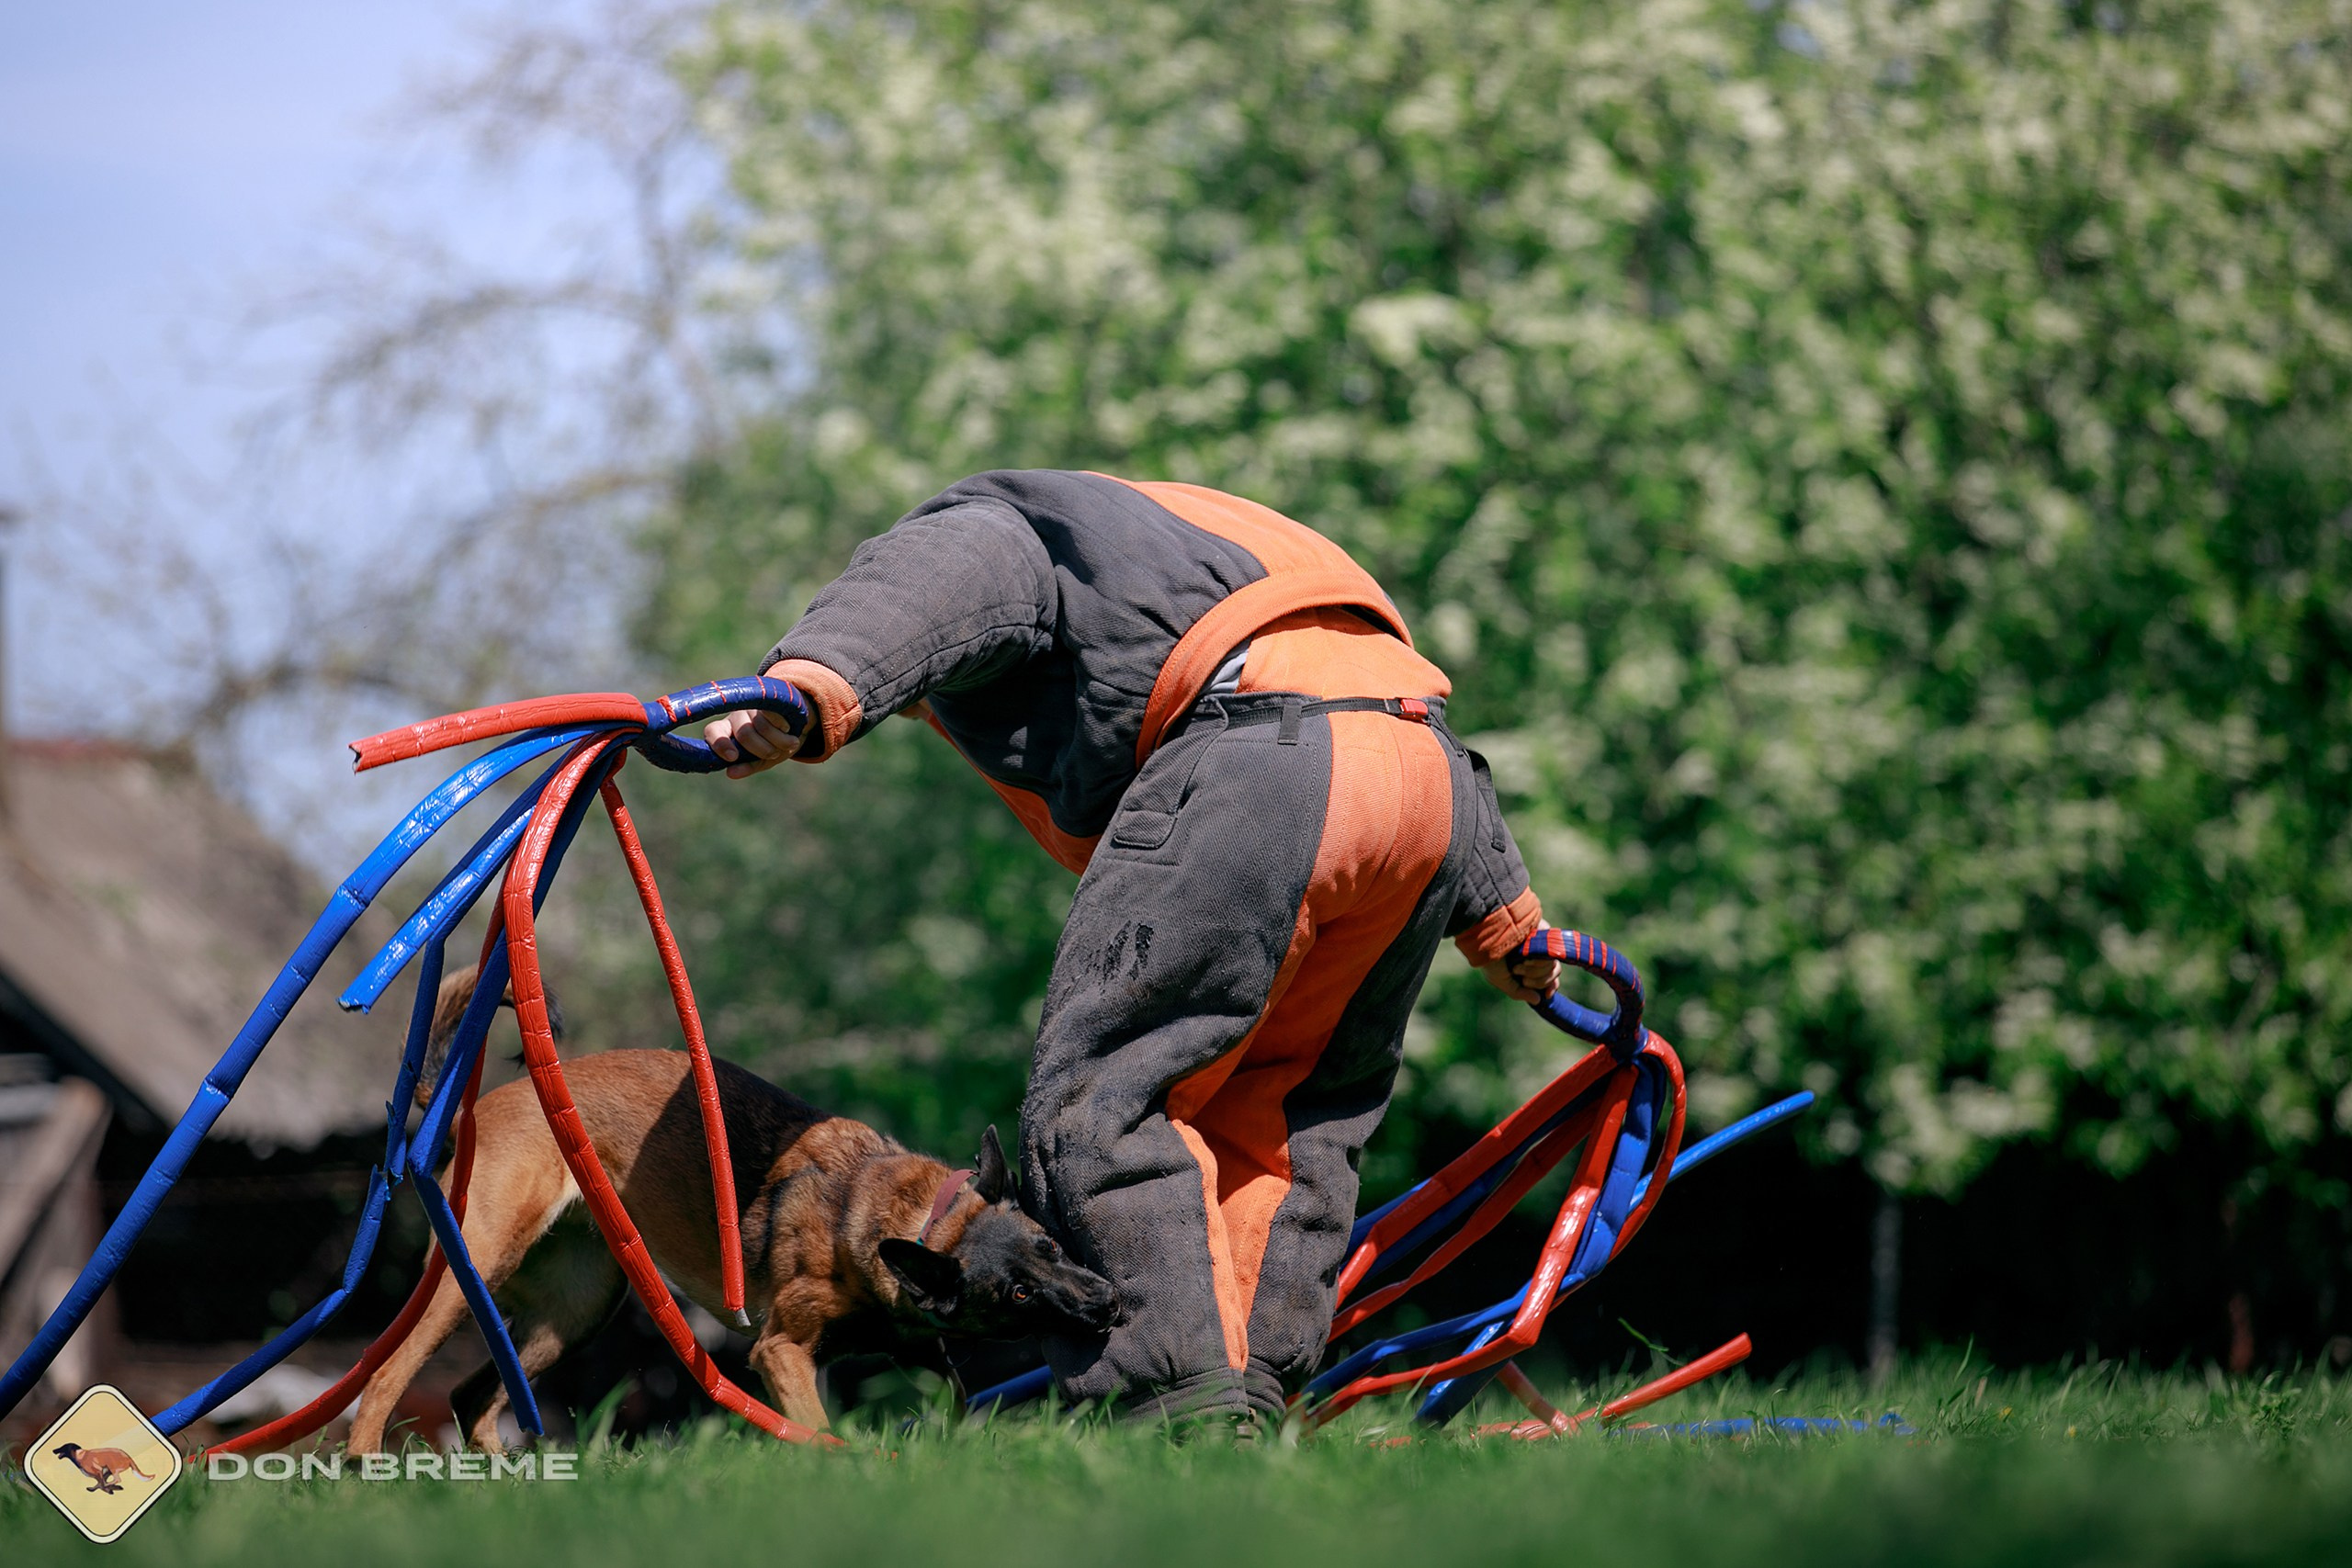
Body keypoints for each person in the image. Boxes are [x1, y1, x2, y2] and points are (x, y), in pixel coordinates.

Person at [705, 469, 1558, 1432]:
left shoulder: (1014, 516)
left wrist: (813, 680)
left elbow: (955, 566)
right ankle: (1248, 1402)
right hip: (1429, 781)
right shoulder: (1195, 533)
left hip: (1261, 769)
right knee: (1291, 1121)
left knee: (1105, 1102)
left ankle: (1174, 1410)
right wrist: (1505, 919)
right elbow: (1365, 690)